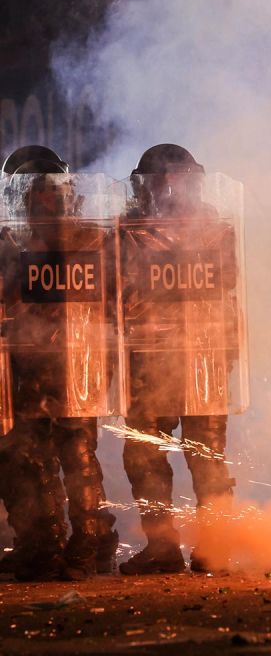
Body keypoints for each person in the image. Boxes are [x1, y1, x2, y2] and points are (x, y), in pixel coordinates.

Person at [118, 144, 243, 574]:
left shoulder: (207, 227)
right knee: (162, 455)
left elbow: (226, 284)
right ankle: (189, 548)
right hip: (167, 356)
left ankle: (195, 546)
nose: (168, 190)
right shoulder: (137, 227)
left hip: (189, 355)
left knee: (177, 455)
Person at [0, 153, 119, 580]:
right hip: (60, 362)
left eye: (49, 196)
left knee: (60, 454)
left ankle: (72, 544)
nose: (47, 205)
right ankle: (67, 543)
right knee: (60, 455)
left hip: (62, 360)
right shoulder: (93, 238)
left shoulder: (38, 241)